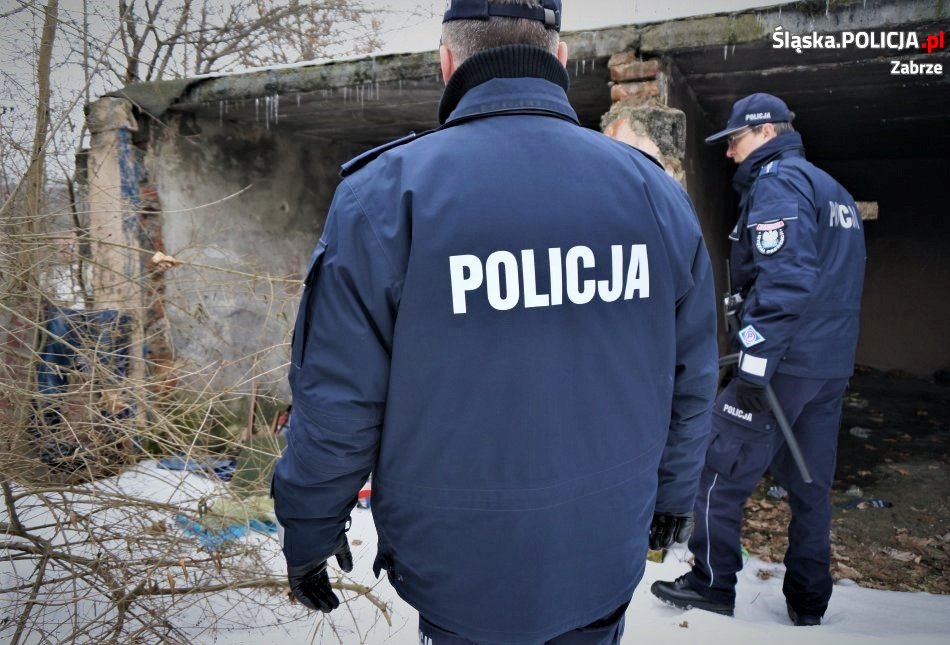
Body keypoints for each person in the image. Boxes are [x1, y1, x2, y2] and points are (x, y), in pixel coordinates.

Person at [272, 1, 718, 642]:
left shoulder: (385, 196)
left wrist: (309, 528)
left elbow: (338, 400)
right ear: (559, 58)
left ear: (447, 62)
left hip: (461, 576)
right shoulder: (654, 194)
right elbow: (692, 373)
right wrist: (673, 495)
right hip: (601, 556)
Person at [650, 93, 866, 627]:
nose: (729, 154)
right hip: (827, 366)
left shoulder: (780, 184)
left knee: (715, 468)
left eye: (736, 140)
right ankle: (809, 600)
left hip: (784, 364)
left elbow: (787, 280)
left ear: (766, 132)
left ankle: (710, 582)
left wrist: (754, 361)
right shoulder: (831, 189)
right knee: (810, 485)